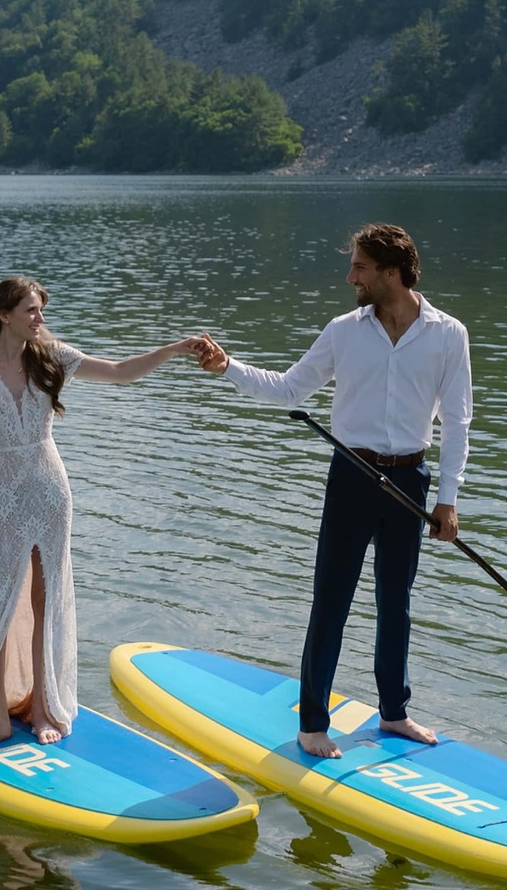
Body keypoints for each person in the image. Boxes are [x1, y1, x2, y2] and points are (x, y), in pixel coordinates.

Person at [0, 277, 205, 745]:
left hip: (49, 490)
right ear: (4, 314)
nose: (40, 318)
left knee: (44, 598)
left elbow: (117, 371)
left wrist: (174, 349)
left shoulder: (51, 355)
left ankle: (42, 708)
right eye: (31, 310)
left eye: (40, 310)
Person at [198, 223, 472, 761]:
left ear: (391, 273)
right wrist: (227, 367)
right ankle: (313, 725)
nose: (351, 277)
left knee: (397, 604)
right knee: (332, 603)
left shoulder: (448, 335)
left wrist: (447, 499)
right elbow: (290, 389)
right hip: (351, 477)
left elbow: (458, 421)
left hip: (409, 484)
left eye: (360, 268)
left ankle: (394, 713)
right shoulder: (344, 330)